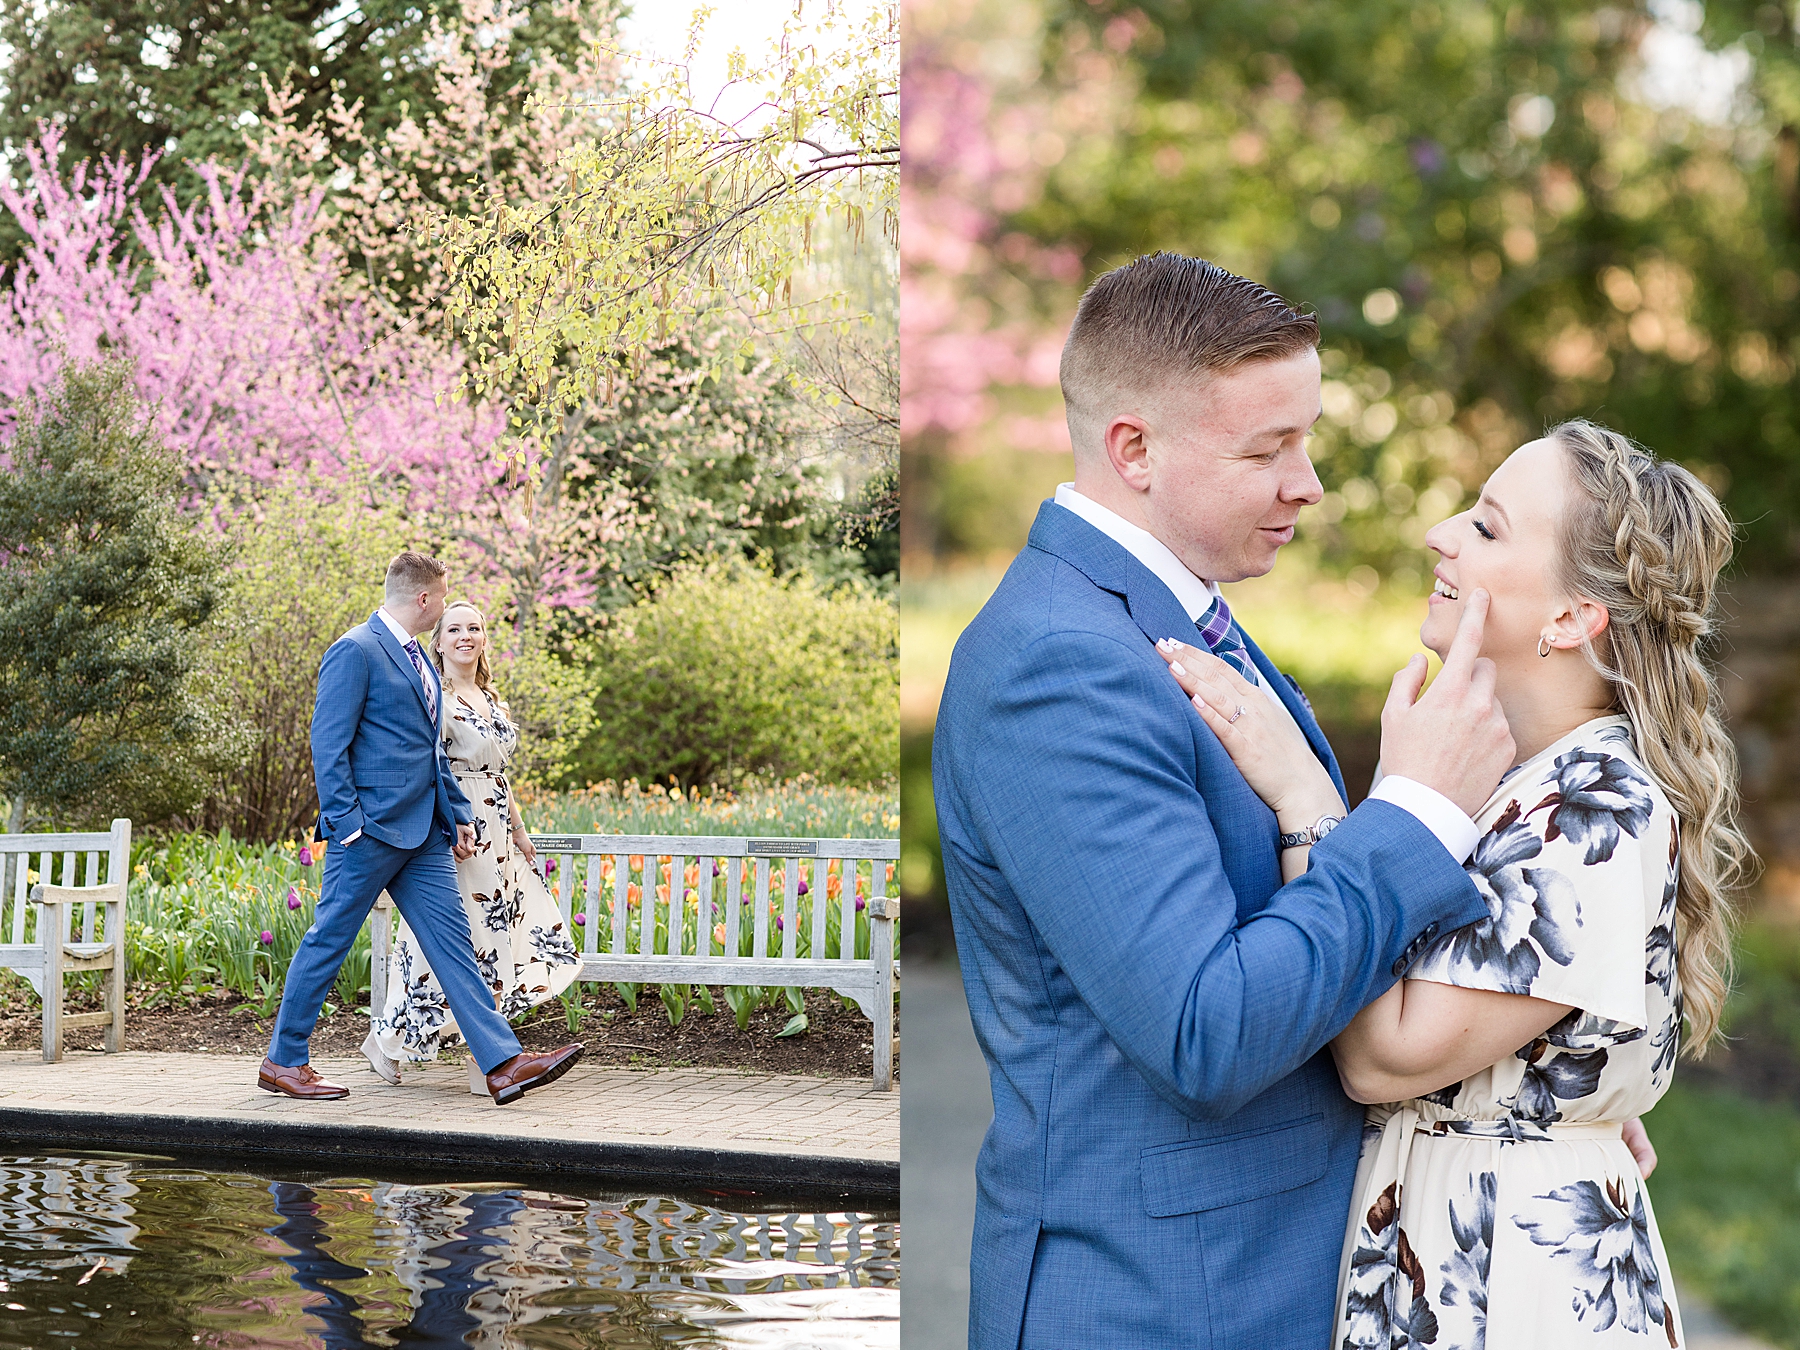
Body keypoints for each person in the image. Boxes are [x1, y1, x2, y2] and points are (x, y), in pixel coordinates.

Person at [933, 253, 1522, 1349]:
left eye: (1304, 439)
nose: (1308, 483)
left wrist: (1526, 1096)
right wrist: (1417, 816)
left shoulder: (1175, 616)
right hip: (1157, 1302)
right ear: (1135, 450)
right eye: (1269, 449)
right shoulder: (1056, 664)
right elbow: (1208, 1032)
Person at [1159, 421, 1745, 1348]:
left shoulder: (1598, 803)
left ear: (1569, 618)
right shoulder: (1506, 783)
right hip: (1442, 1247)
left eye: (1487, 526)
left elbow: (1380, 1054)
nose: (1441, 533)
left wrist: (1314, 808)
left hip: (1513, 1284)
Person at [260, 550, 583, 1106]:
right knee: (328, 942)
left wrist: (455, 814)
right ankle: (283, 1062)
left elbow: (429, 752)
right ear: (425, 599)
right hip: (370, 835)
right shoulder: (355, 650)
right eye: (443, 600)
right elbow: (327, 744)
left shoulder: (417, 660)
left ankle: (503, 1064)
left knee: (454, 947)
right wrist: (350, 826)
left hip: (426, 835)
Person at [361, 600, 582, 1092]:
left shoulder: (490, 696)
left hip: (498, 831)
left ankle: (482, 1053)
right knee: (450, 940)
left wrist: (520, 831)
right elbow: (428, 767)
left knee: (496, 937)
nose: (466, 635)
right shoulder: (433, 694)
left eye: (475, 628)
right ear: (437, 641)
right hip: (459, 830)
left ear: (484, 639)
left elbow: (498, 777)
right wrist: (452, 823)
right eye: (454, 628)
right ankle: (401, 1041)